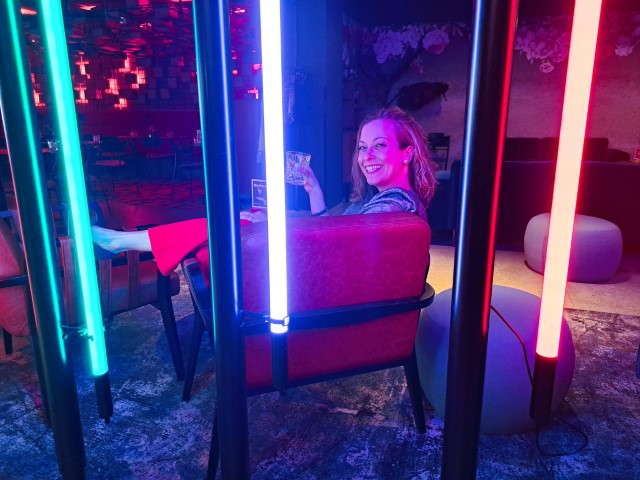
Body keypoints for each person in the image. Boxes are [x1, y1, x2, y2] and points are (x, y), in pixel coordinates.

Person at [92, 107, 437, 277]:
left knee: (236, 230)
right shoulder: (388, 202)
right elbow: (339, 236)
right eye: (362, 147)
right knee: (238, 225)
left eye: (380, 145)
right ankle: (123, 242)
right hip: (328, 273)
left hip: (325, 286)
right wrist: (313, 191)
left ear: (406, 153)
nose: (367, 156)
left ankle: (121, 242)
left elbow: (336, 249)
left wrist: (277, 227)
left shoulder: (394, 207)